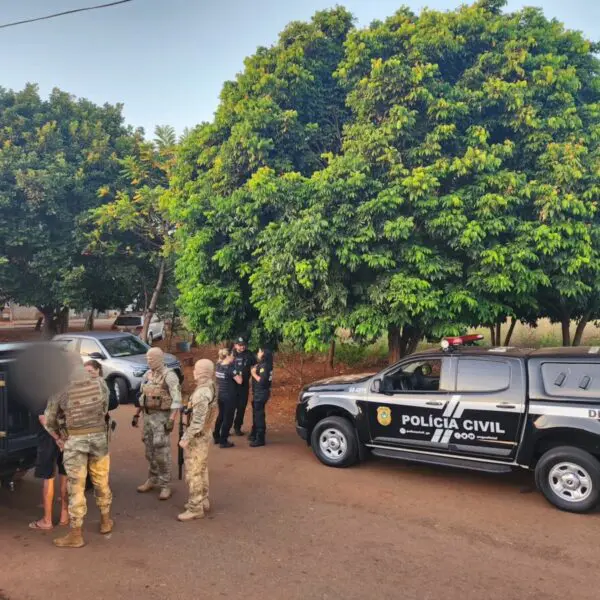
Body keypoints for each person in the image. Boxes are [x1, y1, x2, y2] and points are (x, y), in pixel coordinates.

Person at [44, 352, 113, 548]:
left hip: (74, 441)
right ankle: (105, 521)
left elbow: (49, 421)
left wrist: (60, 437)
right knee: (101, 481)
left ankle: (76, 534)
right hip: (99, 439)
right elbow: (105, 408)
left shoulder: (60, 389)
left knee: (76, 486)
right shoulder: (99, 383)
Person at [131, 347, 182, 500]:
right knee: (149, 451)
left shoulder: (170, 376)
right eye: (147, 359)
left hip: (162, 419)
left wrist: (172, 419)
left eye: (151, 359)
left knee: (161, 453)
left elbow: (177, 399)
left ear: (159, 359)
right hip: (147, 418)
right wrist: (136, 414)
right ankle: (152, 478)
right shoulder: (147, 375)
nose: (149, 361)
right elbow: (143, 397)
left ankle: (165, 485)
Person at [177, 359, 217, 521]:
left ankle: (195, 507)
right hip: (205, 433)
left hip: (198, 437)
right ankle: (203, 499)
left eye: (196, 369)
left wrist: (185, 438)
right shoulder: (211, 385)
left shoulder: (201, 393)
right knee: (202, 469)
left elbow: (198, 422)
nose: (193, 371)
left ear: (200, 372)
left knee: (194, 473)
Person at [29, 399, 69, 531]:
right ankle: (64, 515)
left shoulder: (42, 392)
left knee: (49, 478)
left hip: (49, 440)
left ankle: (47, 520)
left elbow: (43, 419)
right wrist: (63, 438)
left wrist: (56, 438)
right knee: (64, 475)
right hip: (66, 437)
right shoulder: (65, 389)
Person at [213, 348, 242, 448]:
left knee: (221, 415)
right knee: (228, 418)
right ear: (228, 356)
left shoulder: (218, 365)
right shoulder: (230, 368)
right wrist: (239, 372)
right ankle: (223, 440)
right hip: (230, 396)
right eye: (232, 355)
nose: (234, 357)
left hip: (221, 395)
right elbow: (239, 381)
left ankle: (216, 436)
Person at [249, 348, 274, 448]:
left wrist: (253, 373)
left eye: (259, 351)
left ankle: (260, 438)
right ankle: (254, 434)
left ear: (263, 354)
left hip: (261, 393)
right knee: (256, 413)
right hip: (259, 393)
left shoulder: (264, 366)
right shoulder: (264, 364)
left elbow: (262, 381)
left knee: (259, 415)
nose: (258, 353)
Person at [231, 337, 256, 436]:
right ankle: (226, 427)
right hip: (232, 386)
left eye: (243, 345)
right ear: (235, 345)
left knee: (241, 407)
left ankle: (237, 427)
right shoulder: (231, 354)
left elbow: (255, 365)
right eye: (240, 345)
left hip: (244, 385)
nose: (242, 347)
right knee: (230, 407)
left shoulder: (249, 354)